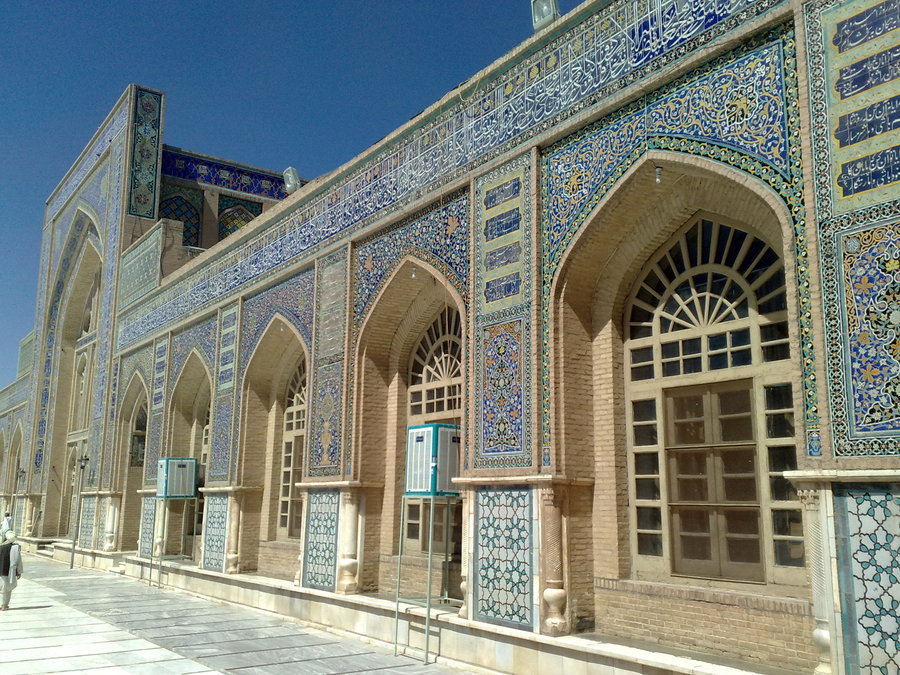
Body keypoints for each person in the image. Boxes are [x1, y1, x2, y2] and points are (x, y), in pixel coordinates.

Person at [0, 530, 23, 611]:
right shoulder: (15, 548)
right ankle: (4, 605)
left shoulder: (1, 547)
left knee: (3, 588)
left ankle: (3, 605)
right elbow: (18, 561)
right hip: (10, 571)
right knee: (8, 589)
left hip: (1, 571)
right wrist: (19, 572)